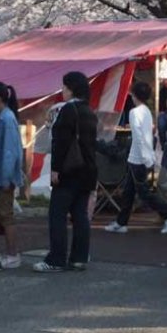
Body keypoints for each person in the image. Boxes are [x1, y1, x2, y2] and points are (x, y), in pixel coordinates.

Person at [33, 72, 98, 273]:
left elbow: (60, 142)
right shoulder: (89, 111)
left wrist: (55, 169)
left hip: (69, 170)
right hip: (88, 170)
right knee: (80, 215)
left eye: (64, 87)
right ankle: (79, 257)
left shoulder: (68, 110)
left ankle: (56, 258)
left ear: (71, 89)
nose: (62, 91)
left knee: (58, 214)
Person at [104, 82, 167, 235]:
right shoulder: (146, 111)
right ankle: (121, 222)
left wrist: (146, 158)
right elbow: (146, 136)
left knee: (144, 193)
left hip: (138, 159)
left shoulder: (134, 112)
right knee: (128, 192)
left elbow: (139, 137)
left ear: (134, 95)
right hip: (138, 158)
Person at [0, 81, 25, 269]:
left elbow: (9, 152)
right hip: (3, 176)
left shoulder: (6, 119)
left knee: (6, 215)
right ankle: (11, 253)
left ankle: (13, 254)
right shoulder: (6, 117)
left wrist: (6, 178)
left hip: (5, 177)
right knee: (4, 215)